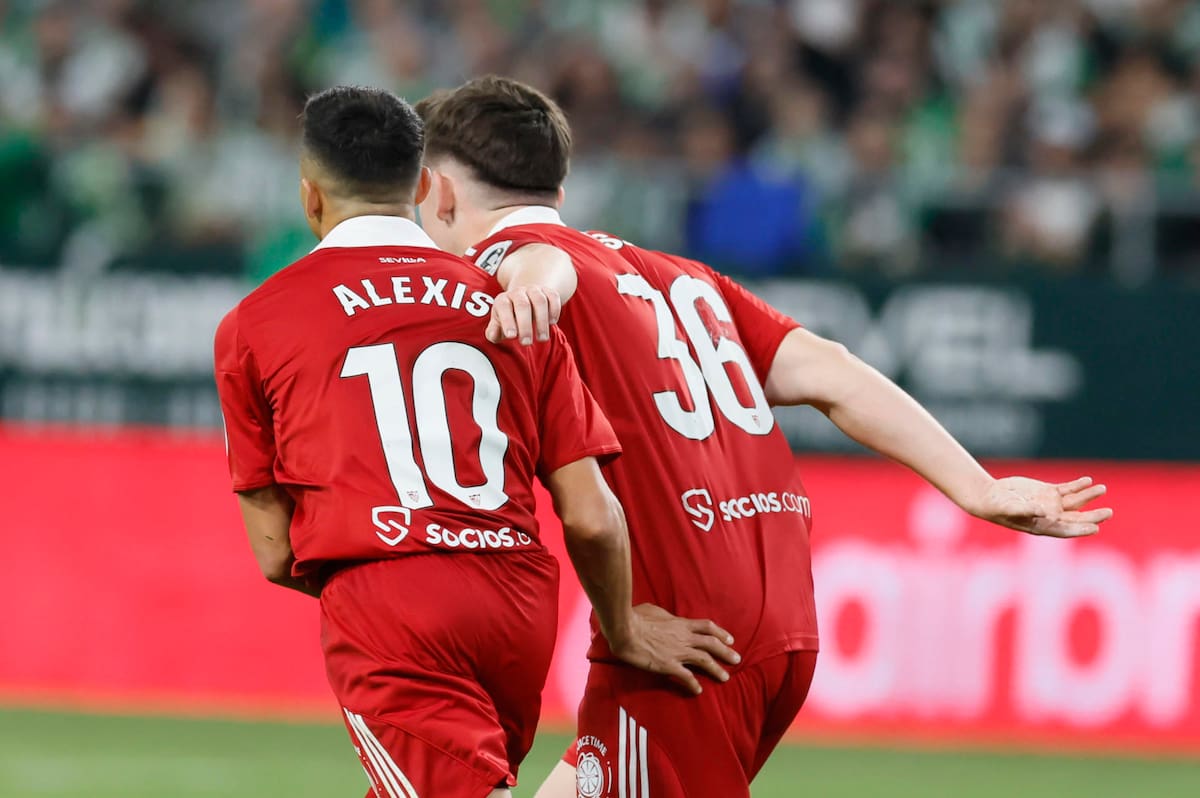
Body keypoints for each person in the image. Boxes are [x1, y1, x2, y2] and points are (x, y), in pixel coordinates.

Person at [415, 76, 1114, 798]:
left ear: (438, 191)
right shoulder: (679, 276)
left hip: (684, 631)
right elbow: (834, 372)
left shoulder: (503, 268)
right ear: (558, 189)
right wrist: (978, 486)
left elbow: (537, 262)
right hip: (781, 622)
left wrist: (532, 287)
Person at [213, 85, 737, 798]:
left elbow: (276, 552)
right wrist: (622, 628)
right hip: (517, 604)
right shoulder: (510, 306)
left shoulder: (256, 322)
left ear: (310, 196)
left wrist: (389, 576)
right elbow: (591, 514)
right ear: (422, 187)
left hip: (391, 597)